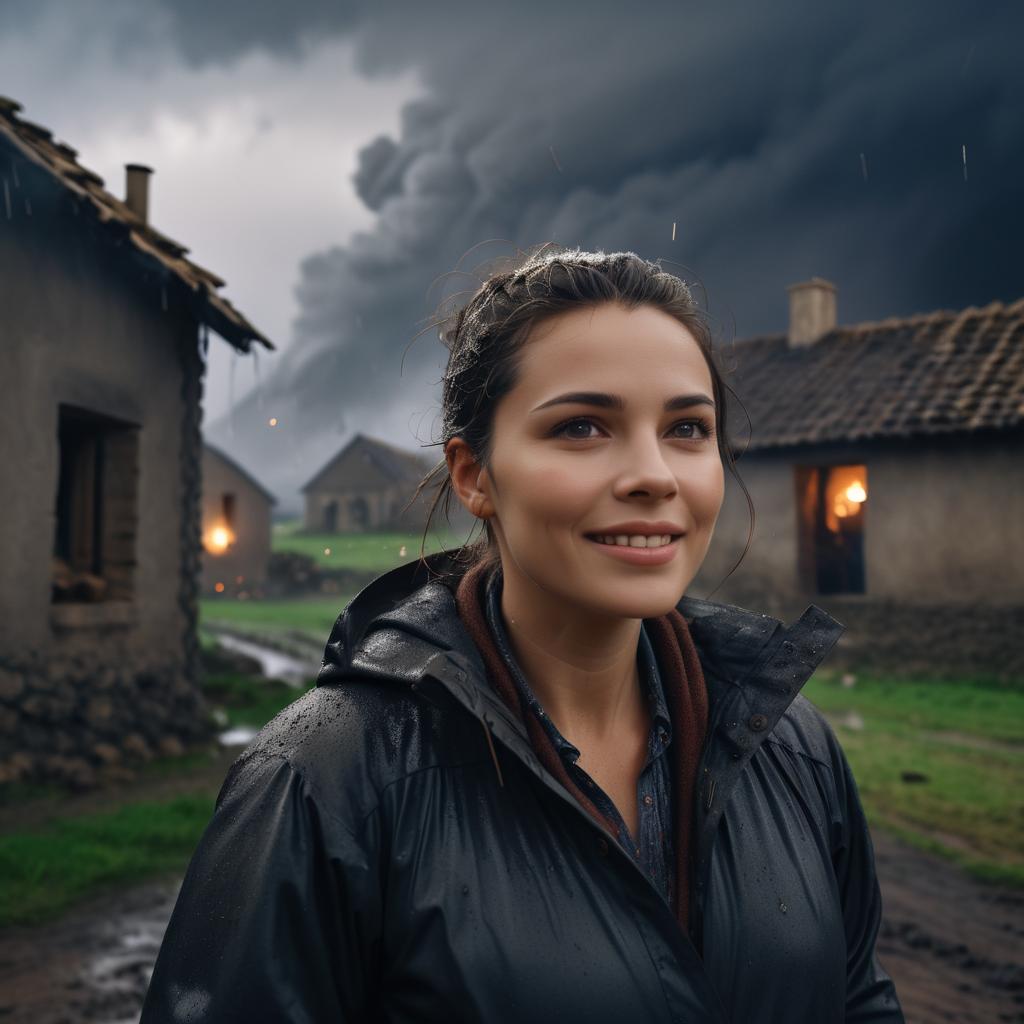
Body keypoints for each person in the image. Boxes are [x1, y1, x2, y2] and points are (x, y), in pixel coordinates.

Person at [140, 246, 904, 1022]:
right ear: (474, 475)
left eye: (687, 428)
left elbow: (860, 1002)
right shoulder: (321, 782)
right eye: (581, 426)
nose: (654, 474)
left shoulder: (793, 748)